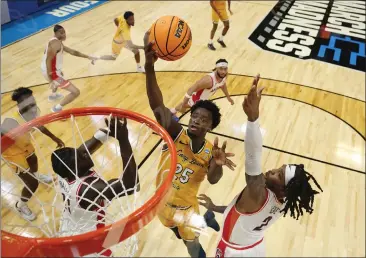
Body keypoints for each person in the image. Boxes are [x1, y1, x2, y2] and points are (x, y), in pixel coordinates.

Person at [198, 75, 323, 257]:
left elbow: (253, 158)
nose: (272, 170)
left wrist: (253, 119)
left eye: (278, 175)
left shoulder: (259, 193)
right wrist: (216, 207)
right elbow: (243, 217)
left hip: (234, 252)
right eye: (279, 169)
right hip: (256, 247)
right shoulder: (285, 201)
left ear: (283, 189)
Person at [143, 31, 236, 258]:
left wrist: (218, 164)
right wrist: (149, 67)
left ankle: (203, 226)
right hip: (162, 205)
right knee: (176, 232)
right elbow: (157, 105)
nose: (196, 120)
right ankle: (209, 218)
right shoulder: (175, 134)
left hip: (187, 209)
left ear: (210, 127)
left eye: (204, 119)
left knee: (192, 247)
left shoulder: (207, 152)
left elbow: (213, 180)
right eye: (195, 116)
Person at [52, 117, 139, 256]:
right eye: (81, 156)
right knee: (109, 248)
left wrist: (108, 132)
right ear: (75, 168)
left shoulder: (64, 172)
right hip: (90, 242)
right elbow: (132, 185)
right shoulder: (88, 189)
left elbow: (87, 147)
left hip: (70, 227)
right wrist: (123, 140)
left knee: (116, 225)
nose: (84, 153)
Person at [1, 87, 65, 221]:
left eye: (33, 103)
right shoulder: (10, 122)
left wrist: (54, 138)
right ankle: (20, 205)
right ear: (19, 105)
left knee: (34, 161)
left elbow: (39, 125)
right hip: (13, 154)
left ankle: (36, 175)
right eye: (28, 105)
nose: (32, 108)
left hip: (25, 145)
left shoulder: (33, 113)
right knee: (32, 184)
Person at [41, 24, 98, 112]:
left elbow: (73, 52)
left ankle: (53, 96)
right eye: (61, 33)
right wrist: (51, 77)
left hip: (48, 69)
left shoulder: (56, 41)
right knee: (76, 92)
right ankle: (57, 108)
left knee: (60, 75)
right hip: (51, 72)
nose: (64, 35)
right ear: (55, 33)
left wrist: (88, 56)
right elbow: (48, 60)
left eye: (64, 32)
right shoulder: (56, 44)